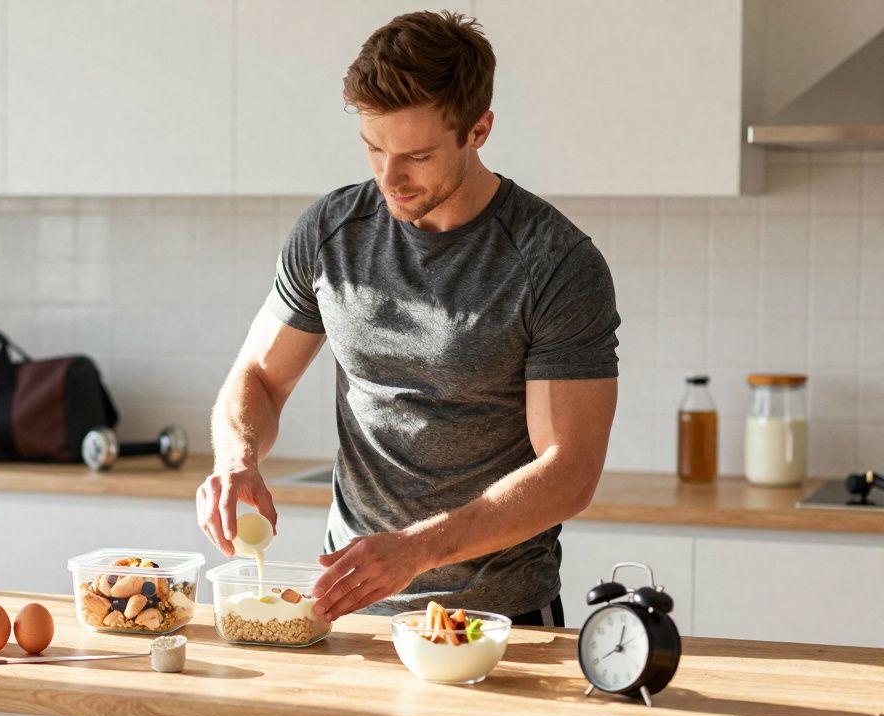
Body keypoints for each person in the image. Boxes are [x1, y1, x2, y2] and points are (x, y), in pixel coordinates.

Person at [194, 10, 619, 628]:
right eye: (374, 148)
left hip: (499, 622)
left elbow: (568, 473)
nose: (389, 179)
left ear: (479, 131)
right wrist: (236, 459)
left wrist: (417, 550)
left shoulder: (553, 262)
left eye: (416, 156)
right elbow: (258, 376)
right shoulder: (332, 234)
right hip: (348, 606)